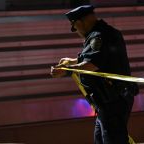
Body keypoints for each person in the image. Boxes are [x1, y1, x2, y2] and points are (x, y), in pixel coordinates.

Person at [50, 5, 139, 144]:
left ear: (80, 22)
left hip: (113, 101)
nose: (77, 32)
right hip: (107, 102)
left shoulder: (99, 36)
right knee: (100, 139)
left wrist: (66, 70)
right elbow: (101, 58)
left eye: (75, 27)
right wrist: (72, 61)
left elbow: (92, 64)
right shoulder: (104, 33)